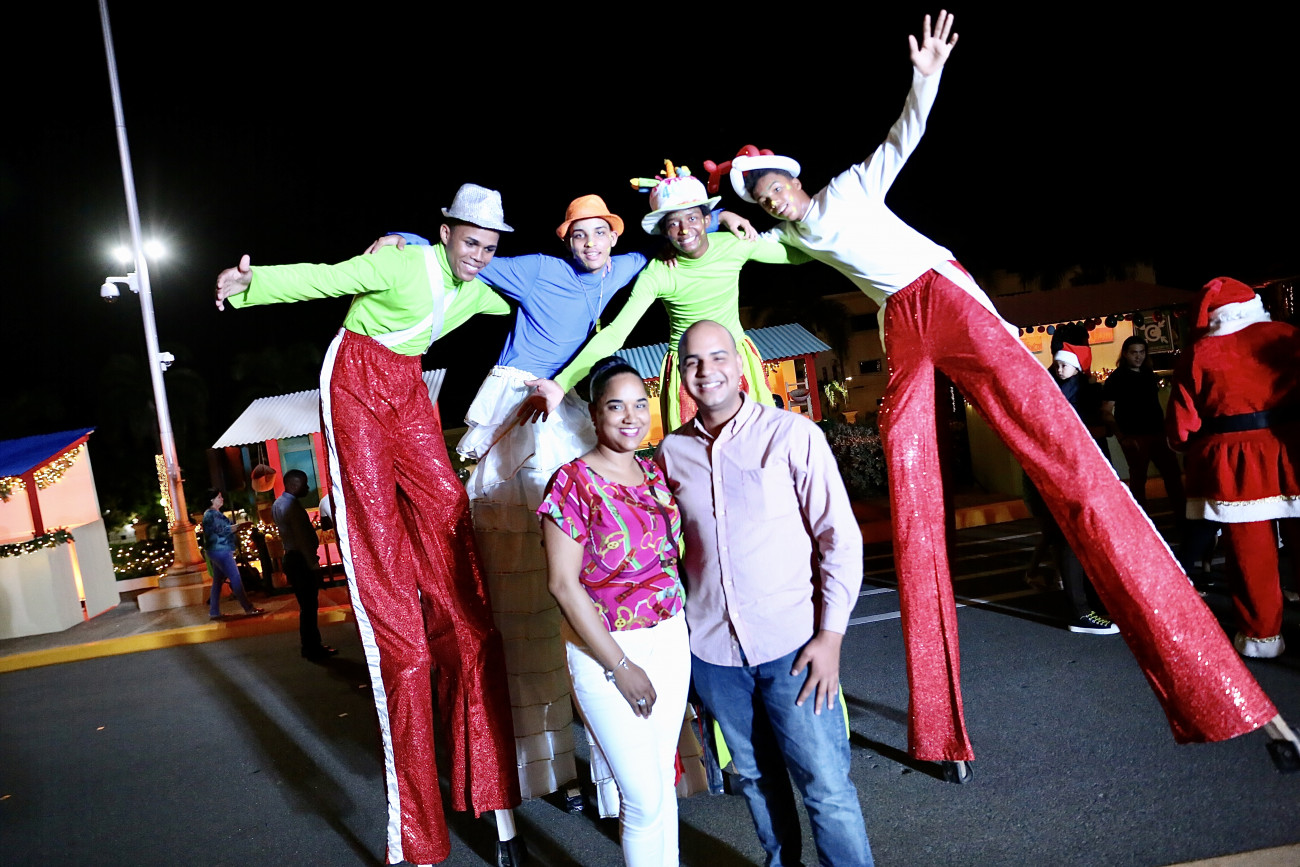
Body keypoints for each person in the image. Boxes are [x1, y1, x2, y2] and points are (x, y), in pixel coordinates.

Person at [719, 10, 1282, 767]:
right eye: (763, 200)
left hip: (943, 298)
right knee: (913, 489)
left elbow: (903, 138)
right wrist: (730, 223)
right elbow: (766, 247)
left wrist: (925, 77)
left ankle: (1208, 677)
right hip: (901, 329)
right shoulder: (790, 235)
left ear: (795, 178)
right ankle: (939, 730)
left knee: (1061, 449)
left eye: (776, 190)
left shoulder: (849, 188)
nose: (774, 202)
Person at [365, 195, 751, 809]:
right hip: (520, 402)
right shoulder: (539, 269)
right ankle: (548, 768)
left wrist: (724, 219)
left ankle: (627, 773)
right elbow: (468, 257)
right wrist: (403, 238)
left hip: (562, 398)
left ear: (613, 237)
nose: (590, 245)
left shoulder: (624, 267)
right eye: (580, 236)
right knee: (525, 591)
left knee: (601, 567)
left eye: (600, 234)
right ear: (566, 240)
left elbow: (674, 240)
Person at [213, 184, 520, 866]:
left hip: (408, 384)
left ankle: (492, 799)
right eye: (470, 241)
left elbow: (526, 293)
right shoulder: (402, 264)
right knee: (380, 543)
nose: (479, 255)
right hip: (354, 377)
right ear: (446, 232)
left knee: (449, 517)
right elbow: (326, 279)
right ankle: (418, 838)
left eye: (489, 247)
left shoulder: (481, 288)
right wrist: (250, 284)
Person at [656, 321, 873, 866]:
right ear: (682, 375)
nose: (706, 370)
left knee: (825, 787)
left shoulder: (792, 434)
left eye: (717, 357)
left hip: (794, 646)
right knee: (756, 781)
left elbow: (839, 538)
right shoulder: (671, 453)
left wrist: (831, 637)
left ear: (739, 365)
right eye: (692, 361)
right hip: (714, 654)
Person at [538, 356, 690, 867]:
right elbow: (563, 585)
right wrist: (621, 666)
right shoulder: (571, 482)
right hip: (606, 650)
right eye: (616, 406)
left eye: (640, 405)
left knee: (662, 785)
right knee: (642, 798)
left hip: (671, 638)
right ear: (594, 414)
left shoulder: (654, 476)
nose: (631, 417)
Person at [532, 162, 809, 431]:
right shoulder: (658, 273)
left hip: (736, 360)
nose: (685, 229)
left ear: (707, 220)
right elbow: (615, 334)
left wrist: (820, 219)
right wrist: (561, 384)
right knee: (696, 455)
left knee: (758, 442)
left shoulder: (734, 246)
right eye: (674, 223)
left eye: (692, 218)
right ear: (665, 232)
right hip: (688, 372)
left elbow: (796, 255)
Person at [1167, 277, 1300, 659]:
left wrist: (1185, 445)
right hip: (1293, 448)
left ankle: (1263, 637)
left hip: (1233, 462)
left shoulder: (1200, 353)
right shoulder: (1288, 335)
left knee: (1250, 554)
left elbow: (1181, 426)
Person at [1022, 331, 1118, 635]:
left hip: (1080, 471)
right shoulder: (1055, 389)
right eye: (1058, 363)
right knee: (1072, 538)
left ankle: (1088, 603)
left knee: (1083, 539)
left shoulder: (1081, 391)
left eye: (1064, 363)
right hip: (1063, 473)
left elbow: (1099, 432)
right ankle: (1081, 610)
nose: (1059, 367)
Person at [1102, 335, 1187, 515]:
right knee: (1140, 479)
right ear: (1125, 354)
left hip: (1156, 432)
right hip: (1135, 435)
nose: (1138, 356)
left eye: (1141, 352)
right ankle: (1143, 517)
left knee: (1170, 475)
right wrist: (1122, 437)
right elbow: (1106, 411)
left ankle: (1180, 515)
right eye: (1134, 352)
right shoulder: (1117, 378)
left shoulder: (1147, 373)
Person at [271, 469, 337, 661]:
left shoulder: (278, 504)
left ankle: (310, 645)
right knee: (309, 607)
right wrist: (314, 567)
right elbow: (302, 540)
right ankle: (312, 647)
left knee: (306, 606)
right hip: (300, 560)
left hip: (292, 558)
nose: (307, 488)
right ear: (294, 485)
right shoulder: (292, 507)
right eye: (304, 484)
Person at [202, 488, 264, 620]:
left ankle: (214, 611)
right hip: (221, 550)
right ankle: (248, 608)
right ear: (212, 500)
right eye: (219, 497)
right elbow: (222, 530)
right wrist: (239, 527)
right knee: (235, 578)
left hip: (217, 550)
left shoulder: (213, 513)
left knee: (218, 581)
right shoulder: (211, 514)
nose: (222, 499)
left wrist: (237, 527)